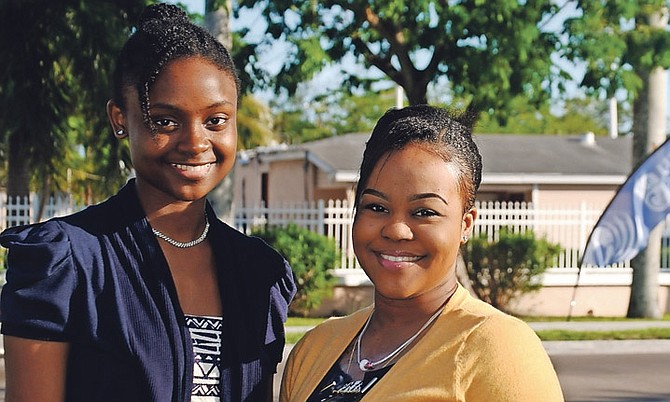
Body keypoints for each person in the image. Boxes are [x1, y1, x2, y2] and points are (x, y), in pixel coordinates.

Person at [0, 3, 295, 402]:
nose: (195, 143)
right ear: (120, 119)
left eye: (216, 120)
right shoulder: (65, 263)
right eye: (165, 120)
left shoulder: (260, 273)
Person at [279, 105, 564, 401]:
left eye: (425, 211)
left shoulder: (497, 348)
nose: (396, 230)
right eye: (376, 207)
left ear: (466, 225)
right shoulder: (314, 349)